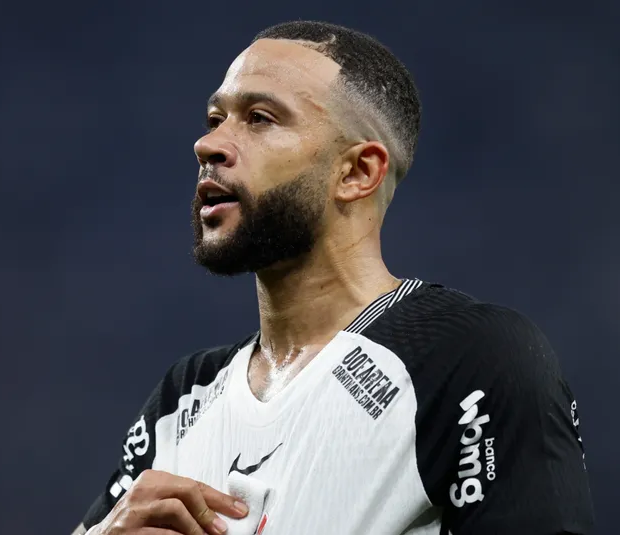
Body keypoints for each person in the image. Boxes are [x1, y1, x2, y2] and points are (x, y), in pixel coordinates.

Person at [71, 20, 594, 535]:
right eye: (215, 118)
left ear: (357, 172)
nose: (208, 145)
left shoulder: (469, 360)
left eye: (259, 118)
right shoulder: (183, 397)